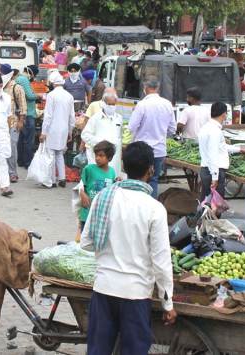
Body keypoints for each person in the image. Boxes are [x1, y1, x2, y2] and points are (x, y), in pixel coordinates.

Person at [81, 141, 176, 354]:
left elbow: (86, 242)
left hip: (104, 289)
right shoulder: (154, 208)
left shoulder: (103, 198)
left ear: (123, 166)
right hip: (135, 294)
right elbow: (161, 262)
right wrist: (167, 303)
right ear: (151, 169)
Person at [128, 79, 177, 198]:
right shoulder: (167, 104)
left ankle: (138, 205)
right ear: (158, 89)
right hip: (159, 150)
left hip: (142, 150)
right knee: (153, 179)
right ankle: (151, 207)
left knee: (139, 178)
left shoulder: (142, 105)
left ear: (145, 88)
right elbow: (172, 129)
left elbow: (131, 127)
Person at [198, 102, 245, 202]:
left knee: (206, 202)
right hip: (213, 171)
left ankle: (203, 217)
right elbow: (213, 154)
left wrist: (239, 149)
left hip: (206, 169)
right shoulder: (215, 131)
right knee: (215, 206)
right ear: (224, 114)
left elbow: (220, 147)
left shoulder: (206, 128)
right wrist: (215, 177)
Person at [41, 71, 75, 188]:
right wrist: (70, 131)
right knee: (60, 153)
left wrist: (43, 132)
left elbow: (48, 115)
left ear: (53, 83)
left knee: (50, 154)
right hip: (64, 128)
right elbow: (72, 116)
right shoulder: (69, 96)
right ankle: (62, 178)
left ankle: (51, 181)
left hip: (52, 128)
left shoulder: (51, 95)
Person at [78, 141, 117, 232]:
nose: (97, 158)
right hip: (87, 212)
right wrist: (82, 193)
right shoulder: (89, 169)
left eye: (101, 155)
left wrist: (117, 181)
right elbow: (80, 186)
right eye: (96, 155)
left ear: (110, 158)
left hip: (103, 215)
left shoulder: (112, 172)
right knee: (84, 241)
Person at [81, 91, 123, 174]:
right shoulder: (96, 118)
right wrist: (100, 142)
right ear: (103, 104)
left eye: (113, 104)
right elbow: (85, 135)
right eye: (109, 104)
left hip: (114, 159)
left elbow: (120, 137)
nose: (111, 107)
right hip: (99, 157)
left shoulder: (119, 118)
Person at [4, 68, 27, 183]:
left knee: (12, 148)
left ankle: (13, 173)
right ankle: (3, 171)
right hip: (1, 124)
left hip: (13, 122)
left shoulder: (16, 87)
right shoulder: (0, 87)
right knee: (2, 148)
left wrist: (21, 121)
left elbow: (23, 106)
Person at [16, 65, 40, 168]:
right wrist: (39, 96)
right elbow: (29, 96)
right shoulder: (24, 79)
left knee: (22, 139)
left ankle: (20, 160)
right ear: (31, 73)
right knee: (28, 140)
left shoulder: (19, 78)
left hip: (22, 112)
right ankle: (28, 162)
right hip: (28, 113)